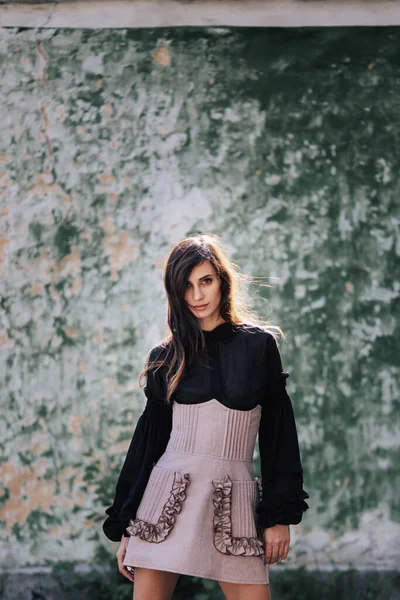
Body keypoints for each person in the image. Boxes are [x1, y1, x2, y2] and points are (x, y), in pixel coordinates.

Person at [102, 233, 309, 600]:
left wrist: (279, 516)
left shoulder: (259, 346)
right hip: (164, 502)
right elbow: (148, 444)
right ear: (175, 292)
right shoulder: (165, 357)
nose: (197, 296)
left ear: (222, 281)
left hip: (234, 504)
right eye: (186, 286)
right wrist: (127, 525)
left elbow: (278, 435)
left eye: (205, 281)